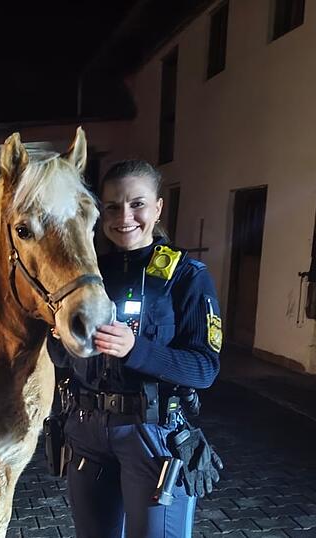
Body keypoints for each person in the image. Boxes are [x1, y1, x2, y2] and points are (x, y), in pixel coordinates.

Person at [47, 159, 223, 538]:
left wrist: (136, 350)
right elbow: (64, 361)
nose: (124, 216)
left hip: (153, 434)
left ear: (158, 208)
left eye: (137, 203)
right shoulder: (89, 278)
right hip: (86, 429)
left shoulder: (187, 276)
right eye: (112, 206)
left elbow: (204, 369)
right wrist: (58, 337)